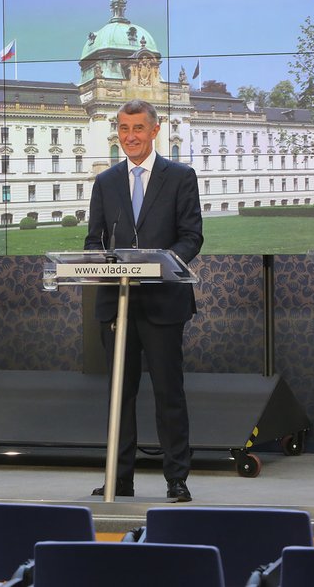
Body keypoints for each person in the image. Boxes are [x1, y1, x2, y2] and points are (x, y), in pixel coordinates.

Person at [84, 99, 204, 501]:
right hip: (115, 303)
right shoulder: (105, 182)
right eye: (123, 129)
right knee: (120, 393)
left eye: (137, 128)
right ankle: (119, 479)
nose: (129, 136)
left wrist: (163, 262)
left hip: (163, 302)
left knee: (169, 392)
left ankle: (176, 479)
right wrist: (102, 261)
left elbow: (192, 236)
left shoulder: (180, 176)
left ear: (155, 130)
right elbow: (93, 241)